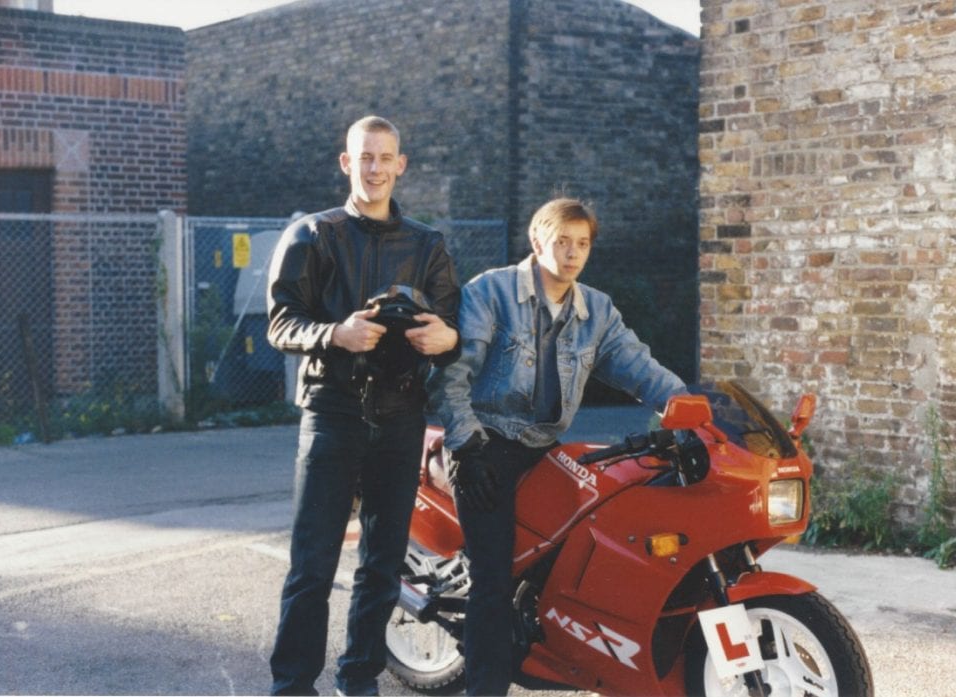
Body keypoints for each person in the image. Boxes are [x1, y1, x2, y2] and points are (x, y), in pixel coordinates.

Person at [427, 197, 686, 695]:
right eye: (562, 241)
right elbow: (451, 376)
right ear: (537, 240)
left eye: (582, 243)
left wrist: (697, 410)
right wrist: (466, 444)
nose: (571, 253)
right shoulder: (492, 292)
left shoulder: (597, 310)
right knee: (494, 578)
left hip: (543, 444)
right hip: (484, 443)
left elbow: (641, 368)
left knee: (586, 551)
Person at [266, 115, 461, 696]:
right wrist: (336, 334)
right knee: (312, 564)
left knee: (381, 564)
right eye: (364, 158)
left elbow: (456, 326)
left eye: (385, 158)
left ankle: (359, 679)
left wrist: (446, 339)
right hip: (333, 410)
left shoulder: (428, 244)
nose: (375, 169)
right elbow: (281, 322)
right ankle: (293, 684)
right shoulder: (313, 235)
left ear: (401, 165)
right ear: (346, 162)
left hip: (401, 414)